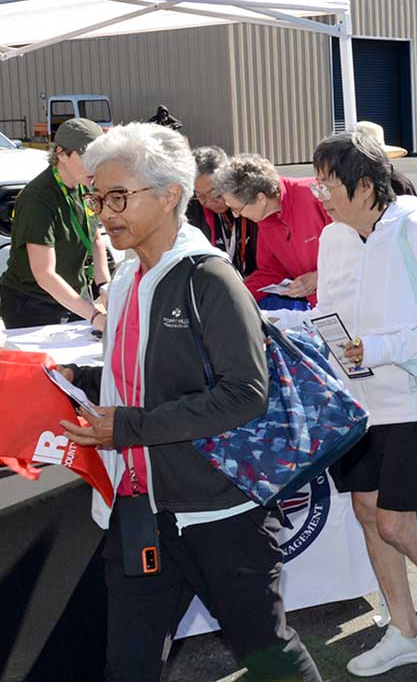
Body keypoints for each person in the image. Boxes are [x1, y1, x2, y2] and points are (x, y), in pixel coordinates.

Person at [57, 122, 323, 682]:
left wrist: (127, 428)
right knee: (128, 666)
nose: (104, 212)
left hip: (219, 514)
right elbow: (142, 373)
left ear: (170, 195)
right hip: (138, 511)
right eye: (97, 197)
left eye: (118, 197)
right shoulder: (130, 277)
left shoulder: (209, 279)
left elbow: (246, 393)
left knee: (269, 654)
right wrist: (77, 377)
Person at [306, 131, 417, 677]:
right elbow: (329, 309)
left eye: (328, 183)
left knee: (394, 523)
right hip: (356, 404)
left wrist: (381, 348)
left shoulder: (413, 227)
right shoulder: (334, 236)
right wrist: (315, 335)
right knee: (366, 513)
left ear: (364, 186)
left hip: (406, 400)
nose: (320, 194)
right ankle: (406, 629)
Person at [0, 118, 111, 328]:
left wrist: (104, 285)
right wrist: (95, 316)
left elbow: (94, 238)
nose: (94, 166)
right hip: (34, 305)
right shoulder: (37, 199)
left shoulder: (85, 185)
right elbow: (45, 274)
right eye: (87, 158)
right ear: (61, 154)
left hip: (74, 297)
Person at [216, 154, 333, 305]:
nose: (236, 215)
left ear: (260, 198)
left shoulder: (316, 195)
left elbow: (358, 248)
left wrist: (318, 277)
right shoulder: (264, 217)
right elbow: (271, 270)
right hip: (322, 309)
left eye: (237, 209)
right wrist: (233, 301)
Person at [187, 146, 259, 275]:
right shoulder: (191, 210)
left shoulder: (254, 201)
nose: (208, 202)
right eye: (201, 196)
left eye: (215, 193)